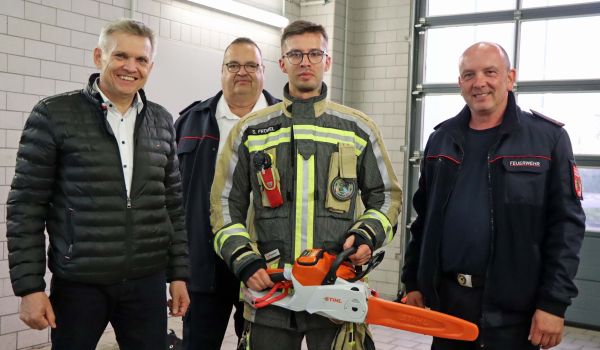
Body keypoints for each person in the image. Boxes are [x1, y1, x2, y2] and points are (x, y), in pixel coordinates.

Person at [209, 20, 402, 350]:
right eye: (295, 54)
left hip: (338, 291)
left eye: (315, 53)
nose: (305, 62)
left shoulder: (358, 128)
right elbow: (225, 205)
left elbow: (386, 197)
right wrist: (245, 260)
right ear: (282, 63)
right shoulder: (250, 130)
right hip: (271, 291)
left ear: (327, 61)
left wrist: (368, 236)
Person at [6, 19, 189, 350]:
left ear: (151, 65)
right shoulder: (54, 114)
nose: (130, 67)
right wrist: (30, 288)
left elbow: (172, 204)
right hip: (80, 283)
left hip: (145, 281)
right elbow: (26, 206)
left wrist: (179, 275)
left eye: (141, 59)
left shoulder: (162, 121)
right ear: (98, 57)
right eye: (120, 56)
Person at [401, 42, 586, 350]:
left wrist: (554, 303)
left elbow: (566, 229)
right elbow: (424, 220)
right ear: (460, 83)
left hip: (513, 315)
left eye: (490, 72)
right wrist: (414, 281)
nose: (479, 82)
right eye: (469, 74)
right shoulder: (440, 141)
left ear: (510, 78)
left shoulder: (548, 139)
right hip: (449, 307)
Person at [175, 37, 280, 350]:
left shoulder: (286, 123)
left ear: (263, 72)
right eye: (233, 65)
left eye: (251, 65)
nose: (242, 72)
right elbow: (174, 199)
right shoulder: (190, 121)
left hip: (265, 262)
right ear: (221, 71)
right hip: (204, 263)